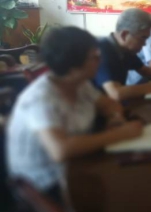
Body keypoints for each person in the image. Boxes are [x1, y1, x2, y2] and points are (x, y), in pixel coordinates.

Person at [7, 27, 143, 199]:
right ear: (73, 64)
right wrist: (119, 134)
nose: (100, 61)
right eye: (95, 57)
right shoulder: (40, 98)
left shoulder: (79, 83)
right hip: (42, 187)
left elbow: (110, 105)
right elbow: (60, 150)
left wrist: (114, 118)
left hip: (76, 165)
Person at [94, 8, 151, 101]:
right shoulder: (103, 50)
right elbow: (116, 93)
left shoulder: (125, 49)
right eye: (143, 38)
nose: (144, 44)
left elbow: (145, 70)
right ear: (124, 35)